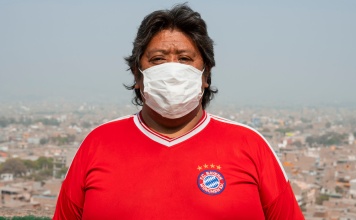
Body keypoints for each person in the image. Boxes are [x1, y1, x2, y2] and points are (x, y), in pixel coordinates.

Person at [53, 4, 305, 220]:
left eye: (184, 59)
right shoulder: (97, 144)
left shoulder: (250, 146)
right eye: (158, 59)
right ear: (137, 75)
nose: (172, 70)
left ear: (205, 74)